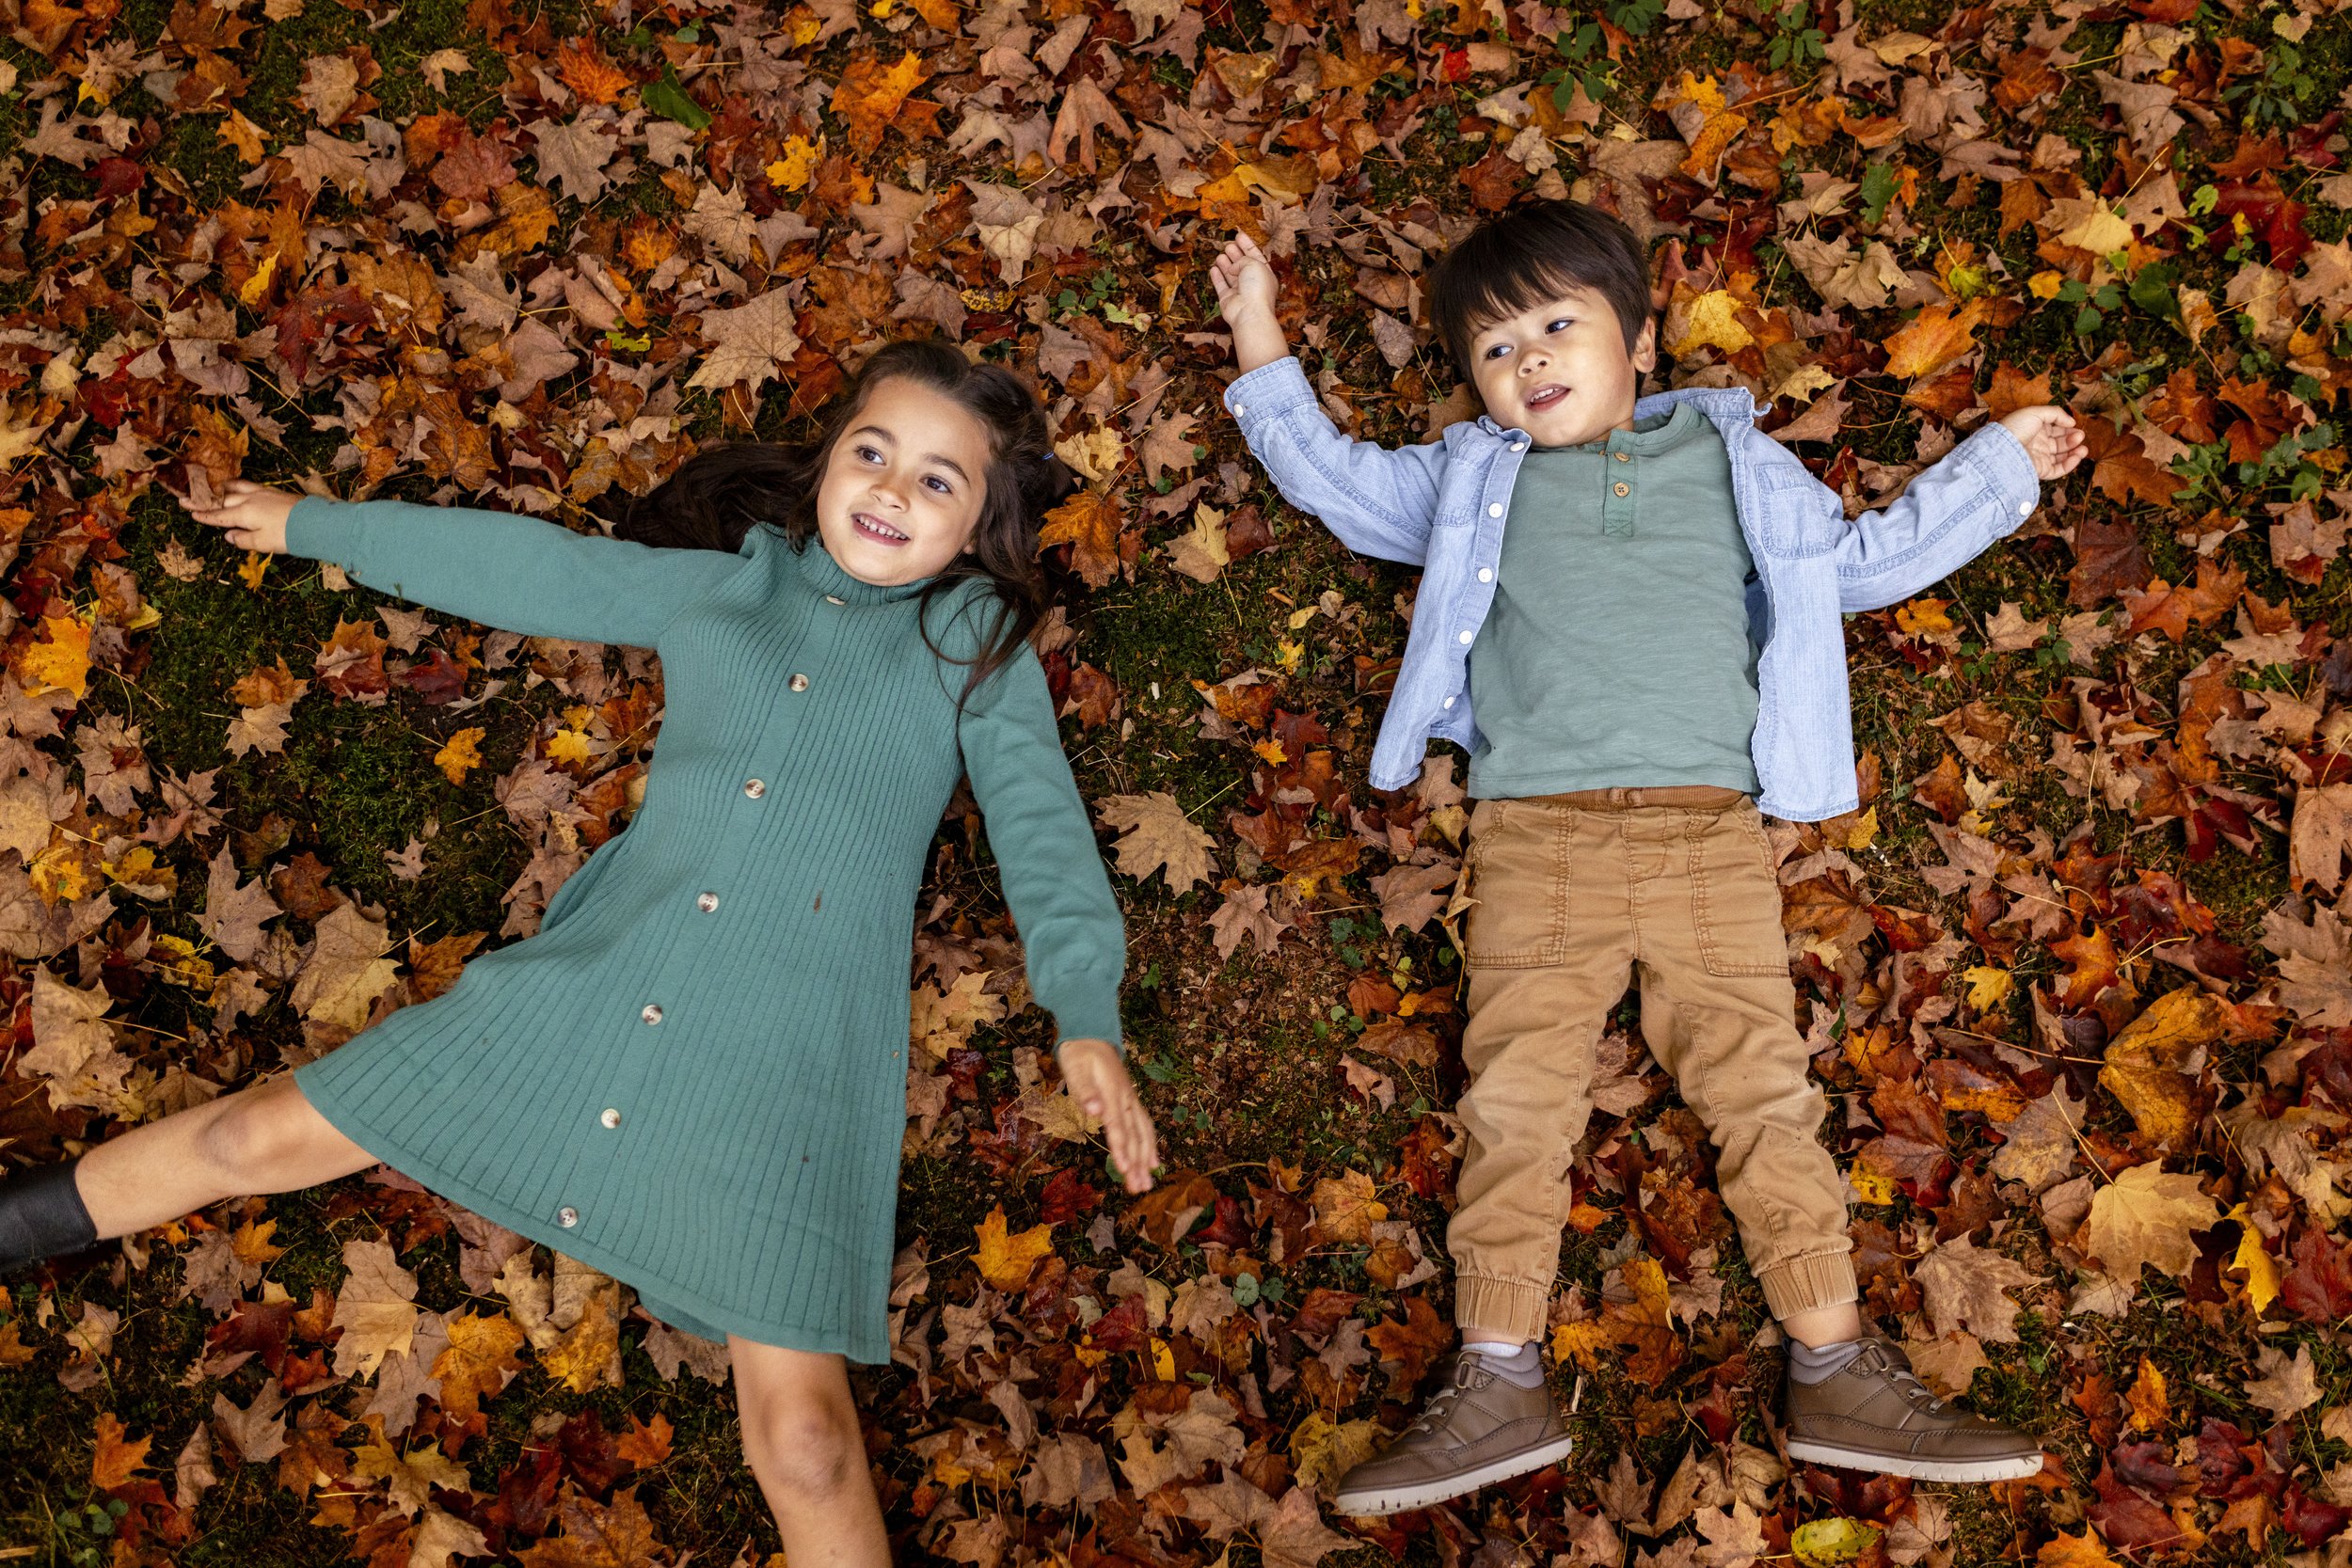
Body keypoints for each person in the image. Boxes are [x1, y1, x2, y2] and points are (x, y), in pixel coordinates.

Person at [0, 337, 1160, 1566]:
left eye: (938, 481)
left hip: (777, 1083)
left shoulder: (969, 643)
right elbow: (533, 568)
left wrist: (1083, 1010)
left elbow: (1038, 823)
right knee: (251, 1137)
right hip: (591, 997)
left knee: (808, 1446)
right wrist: (314, 523)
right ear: (825, 462)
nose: (890, 489)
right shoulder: (728, 588)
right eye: (872, 453)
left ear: (982, 523)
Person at [1207, 202, 2086, 1516]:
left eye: (1560, 324)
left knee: (1760, 1094)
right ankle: (1497, 1372)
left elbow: (1853, 563)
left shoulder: (1728, 465)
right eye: (1497, 348)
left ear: (1644, 336)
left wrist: (1999, 467)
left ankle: (1835, 1361)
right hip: (1536, 840)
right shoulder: (1471, 476)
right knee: (1516, 1101)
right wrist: (1258, 334)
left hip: (1705, 836)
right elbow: (1334, 479)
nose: (1532, 360)